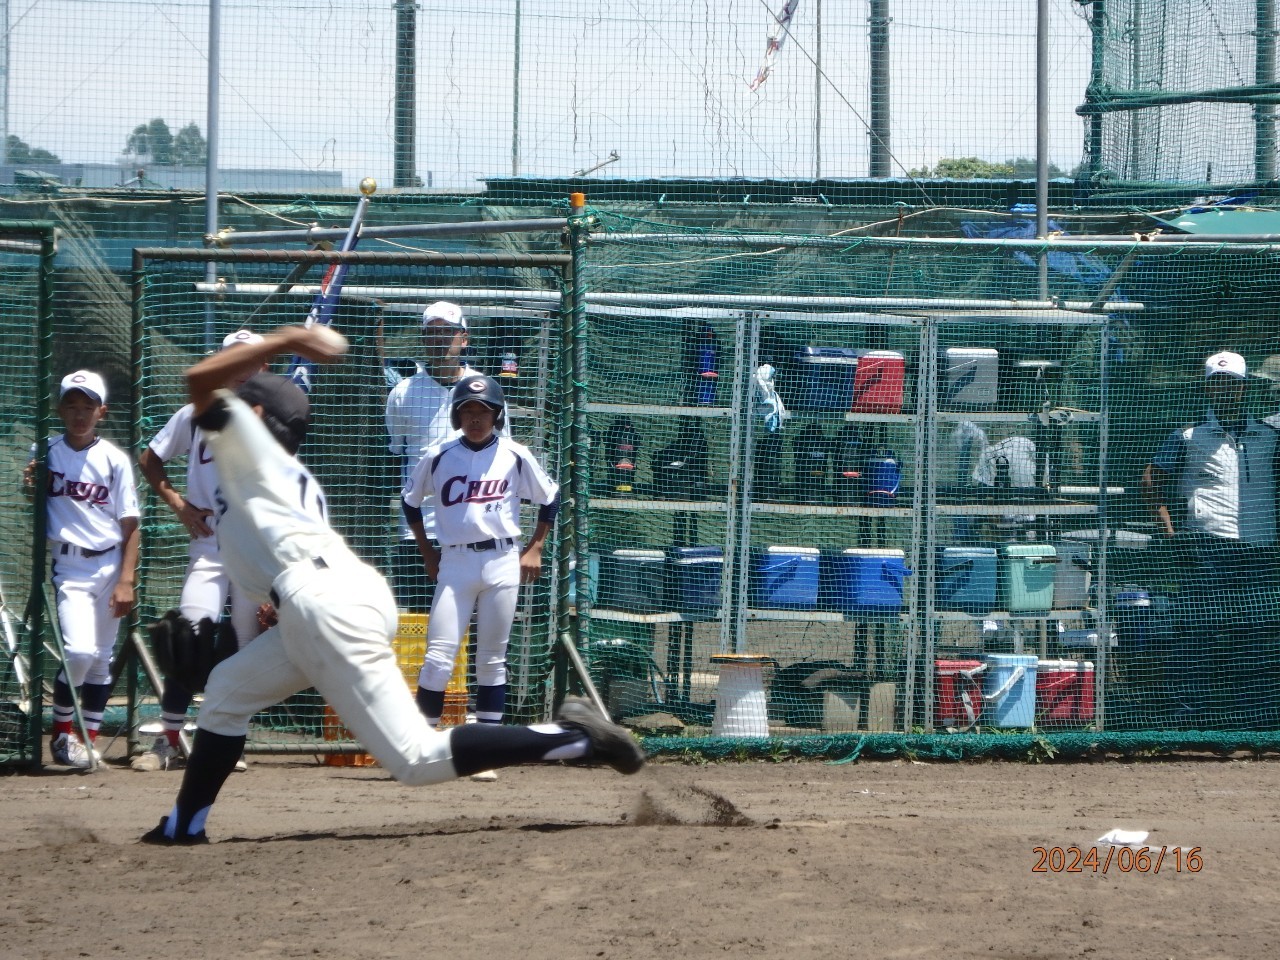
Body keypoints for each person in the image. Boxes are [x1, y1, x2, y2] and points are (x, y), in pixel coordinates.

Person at [140, 326, 643, 845]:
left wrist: (286, 338)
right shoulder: (268, 469)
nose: (227, 403)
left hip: (324, 603)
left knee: (416, 758)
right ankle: (183, 825)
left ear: (257, 415)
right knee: (225, 694)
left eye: (243, 399)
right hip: (323, 598)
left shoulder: (248, 449)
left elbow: (197, 379)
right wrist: (275, 604)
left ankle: (578, 739)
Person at [401, 375, 560, 781]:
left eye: (483, 411)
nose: (475, 419)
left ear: (497, 416)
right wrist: (427, 551)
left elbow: (550, 496)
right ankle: (421, 748)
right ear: (457, 416)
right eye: (467, 411)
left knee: (491, 658)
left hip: (502, 557)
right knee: (438, 657)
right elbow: (410, 501)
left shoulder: (514, 454)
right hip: (455, 561)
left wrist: (535, 547)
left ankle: (486, 753)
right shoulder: (439, 454)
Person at [132, 329, 267, 772]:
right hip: (209, 543)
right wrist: (178, 504)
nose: (241, 369)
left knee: (245, 646)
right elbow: (150, 458)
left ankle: (231, 743)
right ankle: (168, 741)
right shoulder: (194, 413)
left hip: (252, 547)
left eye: (249, 360)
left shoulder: (270, 417)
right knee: (190, 634)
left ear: (263, 366)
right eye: (232, 360)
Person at [1142, 350, 1280, 726]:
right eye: (1217, 383)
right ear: (1207, 388)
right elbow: (1151, 479)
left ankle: (1255, 719)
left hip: (1259, 549)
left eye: (1232, 383)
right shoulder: (1188, 435)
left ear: (1244, 387)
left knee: (1256, 634)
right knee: (1197, 632)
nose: (1225, 390)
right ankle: (1186, 717)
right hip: (1207, 548)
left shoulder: (1269, 436)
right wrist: (1170, 532)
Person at [31, 370, 141, 768]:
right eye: (72, 406)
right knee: (79, 651)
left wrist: (126, 579)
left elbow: (131, 524)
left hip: (111, 562)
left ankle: (87, 740)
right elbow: (31, 495)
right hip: (70, 564)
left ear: (101, 412)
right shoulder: (45, 450)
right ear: (59, 409)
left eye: (88, 407)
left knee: (100, 659)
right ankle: (62, 735)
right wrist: (30, 484)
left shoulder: (114, 458)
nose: (80, 414)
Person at [384, 301, 480, 612]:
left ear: (463, 338)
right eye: (432, 332)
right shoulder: (402, 393)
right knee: (419, 623)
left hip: (473, 530)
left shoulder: (484, 390)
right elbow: (395, 454)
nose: (439, 339)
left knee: (470, 626)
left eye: (448, 332)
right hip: (418, 532)